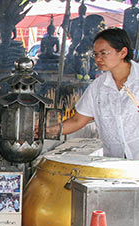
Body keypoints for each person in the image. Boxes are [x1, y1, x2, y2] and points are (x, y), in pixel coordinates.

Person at [55, 28, 139, 159]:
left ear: (122, 52)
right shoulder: (98, 87)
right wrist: (46, 131)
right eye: (95, 54)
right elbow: (77, 121)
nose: (98, 59)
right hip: (114, 164)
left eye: (103, 53)